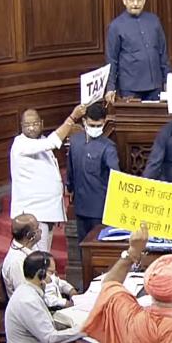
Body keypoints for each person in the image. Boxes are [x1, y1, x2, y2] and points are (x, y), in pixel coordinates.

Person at [10, 104, 87, 252]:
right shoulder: (20, 144)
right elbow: (52, 142)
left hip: (46, 212)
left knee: (44, 253)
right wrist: (72, 118)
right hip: (33, 215)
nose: (31, 128)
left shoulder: (41, 140)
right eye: (27, 125)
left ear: (42, 123)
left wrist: (57, 211)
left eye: (35, 124)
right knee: (38, 257)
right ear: (21, 126)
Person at [104, 0, 171, 102]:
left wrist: (167, 80)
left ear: (144, 0)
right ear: (124, 0)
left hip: (155, 85)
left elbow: (163, 53)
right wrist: (110, 87)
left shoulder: (154, 21)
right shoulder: (115, 26)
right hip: (130, 88)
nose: (135, 3)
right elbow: (112, 60)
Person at [67, 103, 120, 246]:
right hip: (81, 205)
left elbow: (115, 175)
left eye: (99, 125)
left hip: (100, 209)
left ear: (104, 122)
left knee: (98, 246)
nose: (95, 129)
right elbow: (70, 169)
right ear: (84, 121)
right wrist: (69, 188)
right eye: (92, 125)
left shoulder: (108, 147)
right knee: (82, 245)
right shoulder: (75, 141)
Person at [1, 213, 42, 297]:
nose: (40, 230)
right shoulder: (17, 262)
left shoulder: (32, 247)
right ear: (30, 235)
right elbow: (25, 294)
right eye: (37, 228)